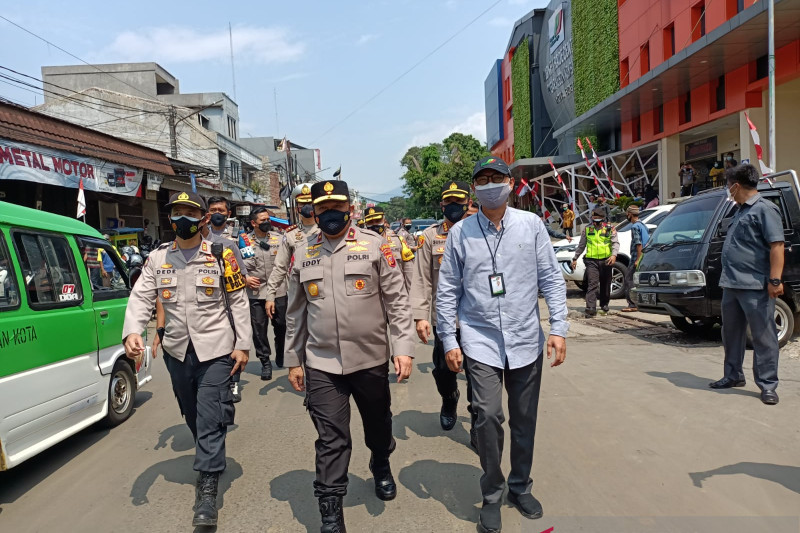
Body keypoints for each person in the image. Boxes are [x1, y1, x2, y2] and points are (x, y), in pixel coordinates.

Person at [436, 156, 568, 533]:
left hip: (526, 338)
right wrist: (450, 338)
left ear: (510, 184)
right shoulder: (461, 233)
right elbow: (447, 291)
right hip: (479, 340)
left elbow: (552, 280)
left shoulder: (532, 226)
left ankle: (520, 486)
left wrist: (558, 328)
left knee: (525, 420)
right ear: (474, 188)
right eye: (483, 179)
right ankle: (492, 493)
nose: (490, 184)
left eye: (497, 178)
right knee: (489, 416)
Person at [285, 180, 415, 532]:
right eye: (322, 208)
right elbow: (296, 312)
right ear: (314, 211)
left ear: (350, 210)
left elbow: (397, 301)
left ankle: (381, 462)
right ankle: (330, 512)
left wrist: (402, 349)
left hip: (370, 358)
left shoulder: (375, 246)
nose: (329, 214)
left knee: (377, 423)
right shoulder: (303, 251)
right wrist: (293, 360)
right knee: (331, 437)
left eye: (336, 208)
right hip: (322, 362)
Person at [122, 191, 251, 528]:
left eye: (190, 212)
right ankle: (212, 445)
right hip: (177, 350)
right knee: (192, 414)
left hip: (216, 349)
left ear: (204, 218)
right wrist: (133, 331)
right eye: (177, 212)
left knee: (208, 416)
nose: (183, 218)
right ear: (170, 218)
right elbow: (141, 297)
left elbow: (237, 301)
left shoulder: (221, 254)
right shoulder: (158, 258)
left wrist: (243, 344)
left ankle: (207, 490)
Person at [709, 164, 784, 405]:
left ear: (736, 185)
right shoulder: (740, 211)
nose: (727, 189)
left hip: (756, 285)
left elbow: (777, 246)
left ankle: (768, 385)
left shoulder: (765, 209)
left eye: (727, 184)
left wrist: (775, 279)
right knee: (731, 334)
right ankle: (732, 376)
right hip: (732, 284)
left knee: (763, 336)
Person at [411, 180, 476, 442]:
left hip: (478, 319)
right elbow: (422, 279)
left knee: (478, 374)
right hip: (445, 319)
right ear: (442, 205)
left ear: (467, 203)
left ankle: (478, 422)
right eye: (449, 202)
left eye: (458, 202)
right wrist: (420, 317)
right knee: (443, 371)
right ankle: (449, 399)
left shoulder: (481, 231)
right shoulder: (429, 236)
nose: (453, 207)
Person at [204, 196, 250, 401]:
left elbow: (243, 270)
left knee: (233, 344)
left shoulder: (236, 240)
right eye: (213, 209)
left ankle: (234, 383)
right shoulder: (200, 238)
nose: (217, 213)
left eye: (221, 210)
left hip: (229, 300)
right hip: (206, 305)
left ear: (228, 213)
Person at [265, 183, 319, 327]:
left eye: (310, 203)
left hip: (323, 292)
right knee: (297, 333)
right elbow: (280, 267)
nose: (307, 206)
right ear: (297, 208)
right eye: (303, 203)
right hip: (298, 292)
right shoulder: (290, 235)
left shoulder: (326, 231)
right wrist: (270, 295)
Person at [243, 207, 287, 380]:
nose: (267, 222)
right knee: (259, 330)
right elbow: (242, 265)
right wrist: (245, 278)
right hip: (256, 292)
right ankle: (265, 362)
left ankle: (281, 352)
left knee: (282, 325)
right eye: (263, 220)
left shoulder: (279, 238)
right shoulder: (245, 241)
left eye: (268, 219)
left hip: (279, 290)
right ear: (253, 223)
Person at [571, 207, 619, 318]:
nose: (596, 220)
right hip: (591, 261)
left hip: (606, 260)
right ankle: (590, 307)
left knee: (605, 284)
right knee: (592, 283)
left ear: (603, 218)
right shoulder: (587, 229)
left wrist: (614, 255)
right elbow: (581, 245)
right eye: (594, 217)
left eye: (598, 218)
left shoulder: (609, 228)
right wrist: (575, 258)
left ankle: (604, 305)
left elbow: (615, 243)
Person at [363, 206, 415, 293]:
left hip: (397, 293)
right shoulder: (359, 244)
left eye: (377, 221)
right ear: (366, 223)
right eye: (370, 222)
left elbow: (409, 273)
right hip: (372, 296)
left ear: (384, 220)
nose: (374, 224)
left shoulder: (399, 240)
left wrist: (411, 300)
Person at [621, 205, 649, 312]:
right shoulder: (643, 225)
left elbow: (638, 244)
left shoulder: (635, 227)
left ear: (630, 214)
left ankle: (632, 304)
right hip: (645, 257)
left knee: (629, 280)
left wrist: (638, 259)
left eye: (627, 214)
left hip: (636, 258)